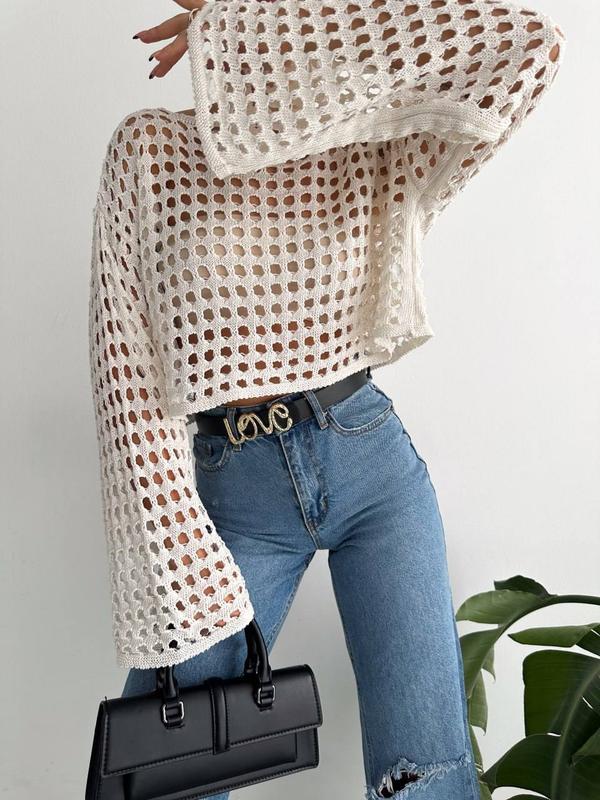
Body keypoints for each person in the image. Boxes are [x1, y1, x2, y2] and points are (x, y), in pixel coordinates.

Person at [88, 2, 565, 797]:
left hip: (372, 465)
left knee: (427, 773)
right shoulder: (150, 150)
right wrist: (179, 549)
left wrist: (268, 20)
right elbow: (126, 376)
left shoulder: (368, 142)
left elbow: (530, 46)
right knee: (159, 774)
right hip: (237, 496)